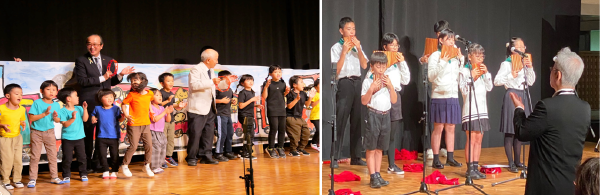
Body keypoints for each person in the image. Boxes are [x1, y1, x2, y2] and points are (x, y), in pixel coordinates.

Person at [511, 47, 590, 195]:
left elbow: (522, 132)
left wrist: (519, 109)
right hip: (571, 185)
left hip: (546, 186)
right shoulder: (585, 108)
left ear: (557, 75)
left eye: (551, 69)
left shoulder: (547, 107)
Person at [68, 34, 134, 172]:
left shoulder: (108, 60)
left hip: (106, 103)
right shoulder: (81, 60)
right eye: (89, 44)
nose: (92, 47)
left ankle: (98, 163)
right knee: (87, 133)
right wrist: (102, 77)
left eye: (95, 44)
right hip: (89, 102)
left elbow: (110, 81)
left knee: (102, 134)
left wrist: (120, 75)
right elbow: (82, 81)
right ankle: (85, 165)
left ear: (101, 46)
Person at [365, 33, 410, 174]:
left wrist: (402, 63)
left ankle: (391, 165)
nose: (396, 48)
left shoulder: (398, 62)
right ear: (385, 47)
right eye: (392, 45)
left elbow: (406, 80)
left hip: (394, 97)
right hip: (379, 100)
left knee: (392, 134)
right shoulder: (378, 63)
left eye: (397, 45)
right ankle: (374, 169)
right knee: (378, 133)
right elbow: (369, 77)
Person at [330, 17, 368, 168]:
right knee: (340, 120)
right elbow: (336, 72)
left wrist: (358, 48)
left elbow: (364, 65)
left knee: (357, 121)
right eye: (348, 29)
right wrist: (344, 52)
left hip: (358, 82)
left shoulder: (357, 45)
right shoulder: (336, 47)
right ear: (341, 31)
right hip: (344, 82)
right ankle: (334, 157)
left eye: (353, 29)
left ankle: (356, 156)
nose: (352, 32)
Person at [494, 37, 535, 173]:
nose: (523, 49)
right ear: (513, 50)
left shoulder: (525, 63)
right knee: (510, 131)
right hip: (511, 94)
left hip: (522, 94)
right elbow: (497, 81)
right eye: (520, 47)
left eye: (524, 47)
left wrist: (529, 68)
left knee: (519, 130)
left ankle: (518, 161)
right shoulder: (506, 64)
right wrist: (511, 75)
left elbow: (531, 82)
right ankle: (511, 162)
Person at [427, 29, 463, 169]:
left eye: (453, 40)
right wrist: (442, 61)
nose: (452, 42)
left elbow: (459, 76)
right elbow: (431, 77)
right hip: (439, 95)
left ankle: (450, 157)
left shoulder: (455, 57)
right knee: (439, 127)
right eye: (449, 39)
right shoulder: (435, 56)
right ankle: (436, 158)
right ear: (441, 40)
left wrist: (461, 60)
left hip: (453, 94)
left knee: (451, 127)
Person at [361, 52, 397, 188]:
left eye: (383, 66)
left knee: (380, 148)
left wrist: (391, 87)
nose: (381, 69)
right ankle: (372, 176)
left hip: (385, 115)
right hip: (373, 115)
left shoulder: (388, 80)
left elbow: (394, 100)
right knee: (371, 147)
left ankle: (377, 174)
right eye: (378, 66)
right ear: (372, 67)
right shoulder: (368, 81)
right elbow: (364, 101)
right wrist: (371, 89)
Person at [458, 43, 492, 179]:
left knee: (479, 139)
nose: (480, 58)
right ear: (470, 57)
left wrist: (487, 73)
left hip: (482, 109)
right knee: (471, 139)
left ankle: (476, 167)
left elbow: (489, 87)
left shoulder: (483, 72)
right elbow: (464, 90)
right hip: (470, 109)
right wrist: (471, 76)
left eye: (481, 56)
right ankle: (469, 168)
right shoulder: (464, 71)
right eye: (477, 56)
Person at [420, 20, 450, 160]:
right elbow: (426, 64)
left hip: (448, 87)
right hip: (435, 85)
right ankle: (430, 147)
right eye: (437, 33)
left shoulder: (451, 46)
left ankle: (445, 147)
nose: (438, 36)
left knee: (448, 121)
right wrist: (423, 60)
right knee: (435, 120)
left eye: (441, 33)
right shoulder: (432, 46)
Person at [186, 49, 220, 165]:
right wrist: (212, 81)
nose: (217, 62)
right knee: (195, 134)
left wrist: (227, 82)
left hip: (210, 106)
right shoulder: (196, 69)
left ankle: (206, 156)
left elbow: (213, 85)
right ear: (208, 60)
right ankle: (191, 158)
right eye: (216, 59)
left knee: (208, 133)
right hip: (197, 108)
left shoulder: (211, 71)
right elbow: (194, 85)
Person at [28, 80, 64, 187]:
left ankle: (54, 177)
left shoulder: (57, 105)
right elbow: (32, 118)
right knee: (35, 156)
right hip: (36, 132)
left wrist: (55, 117)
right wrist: (44, 114)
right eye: (48, 89)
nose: (51, 92)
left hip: (50, 132)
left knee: (53, 156)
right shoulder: (37, 103)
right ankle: (32, 179)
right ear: (41, 91)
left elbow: (57, 120)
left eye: (54, 90)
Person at [121, 72, 154, 177]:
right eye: (132, 81)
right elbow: (123, 104)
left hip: (146, 124)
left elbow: (148, 101)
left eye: (135, 80)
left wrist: (151, 110)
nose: (133, 82)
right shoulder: (132, 94)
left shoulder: (150, 93)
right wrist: (126, 114)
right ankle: (124, 165)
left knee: (149, 146)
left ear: (143, 80)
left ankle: (147, 165)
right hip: (134, 124)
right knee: (133, 146)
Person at [91, 89, 126, 179]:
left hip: (113, 136)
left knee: (114, 155)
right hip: (101, 136)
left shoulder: (116, 108)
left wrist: (123, 116)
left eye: (111, 96)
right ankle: (105, 170)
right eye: (106, 97)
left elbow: (120, 119)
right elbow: (93, 115)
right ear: (100, 99)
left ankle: (114, 170)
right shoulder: (97, 108)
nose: (109, 99)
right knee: (102, 155)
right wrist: (93, 118)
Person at [56, 88, 89, 183]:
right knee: (67, 158)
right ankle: (66, 175)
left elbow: (85, 119)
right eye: (76, 95)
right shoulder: (62, 111)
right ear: (68, 99)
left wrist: (85, 109)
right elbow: (65, 124)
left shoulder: (79, 108)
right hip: (68, 139)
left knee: (82, 157)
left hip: (80, 138)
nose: (78, 97)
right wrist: (73, 118)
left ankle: (83, 174)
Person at [0, 84, 27, 189]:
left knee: (17, 160)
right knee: (7, 160)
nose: (20, 96)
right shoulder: (1, 108)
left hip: (17, 137)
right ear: (7, 96)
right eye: (16, 94)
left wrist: (22, 124)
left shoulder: (21, 109)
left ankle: (17, 179)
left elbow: (21, 120)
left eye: (21, 94)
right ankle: (5, 180)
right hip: (5, 138)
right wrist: (2, 125)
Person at [158, 73, 187, 166]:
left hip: (171, 120)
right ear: (162, 83)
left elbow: (171, 105)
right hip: (162, 120)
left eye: (172, 81)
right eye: (168, 81)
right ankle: (161, 158)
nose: (171, 83)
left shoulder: (171, 93)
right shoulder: (160, 93)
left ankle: (168, 156)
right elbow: (157, 105)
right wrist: (167, 100)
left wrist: (178, 105)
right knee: (163, 140)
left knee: (170, 139)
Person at [262, 65, 290, 158]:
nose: (278, 73)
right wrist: (266, 87)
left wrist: (286, 92)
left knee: (282, 129)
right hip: (272, 109)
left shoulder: (283, 83)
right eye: (275, 72)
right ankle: (270, 148)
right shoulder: (268, 83)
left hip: (282, 109)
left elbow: (283, 95)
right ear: (270, 74)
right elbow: (264, 97)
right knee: (274, 129)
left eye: (279, 71)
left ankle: (280, 147)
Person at [236, 74, 263, 159]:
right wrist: (252, 100)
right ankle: (245, 153)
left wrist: (256, 105)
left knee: (251, 134)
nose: (250, 82)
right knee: (248, 134)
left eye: (251, 80)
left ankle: (246, 151)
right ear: (242, 83)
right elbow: (241, 106)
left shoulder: (252, 92)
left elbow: (248, 104)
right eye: (248, 80)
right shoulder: (242, 92)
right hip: (244, 115)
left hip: (250, 115)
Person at [285, 76, 314, 157]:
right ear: (294, 85)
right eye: (301, 82)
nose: (303, 84)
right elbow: (289, 106)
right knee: (295, 135)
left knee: (306, 133)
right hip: (290, 116)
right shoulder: (290, 94)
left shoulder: (303, 93)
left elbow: (307, 104)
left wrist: (311, 97)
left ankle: (301, 149)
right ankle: (293, 150)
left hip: (299, 117)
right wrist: (297, 99)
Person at [215, 71, 238, 161]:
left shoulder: (229, 89)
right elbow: (210, 100)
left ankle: (228, 151)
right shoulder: (217, 88)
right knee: (222, 134)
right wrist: (221, 101)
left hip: (228, 115)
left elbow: (230, 99)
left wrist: (233, 101)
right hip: (220, 115)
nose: (230, 79)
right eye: (228, 77)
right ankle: (218, 153)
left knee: (229, 133)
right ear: (221, 78)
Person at [148, 88, 173, 174]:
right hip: (152, 131)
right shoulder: (150, 107)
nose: (160, 97)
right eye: (157, 95)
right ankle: (154, 167)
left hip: (161, 131)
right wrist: (164, 112)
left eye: (160, 95)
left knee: (163, 147)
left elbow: (168, 120)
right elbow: (155, 119)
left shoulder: (162, 107)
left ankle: (160, 164)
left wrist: (168, 112)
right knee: (156, 148)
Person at [309, 79, 321, 152]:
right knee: (319, 130)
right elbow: (312, 104)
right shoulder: (315, 94)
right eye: (319, 85)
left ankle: (318, 144)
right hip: (315, 116)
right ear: (316, 87)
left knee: (322, 130)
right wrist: (319, 99)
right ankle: (313, 143)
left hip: (321, 116)